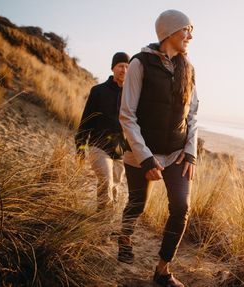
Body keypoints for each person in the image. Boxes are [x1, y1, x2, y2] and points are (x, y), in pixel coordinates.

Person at [117, 9, 199, 287]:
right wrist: (146, 158)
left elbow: (193, 115)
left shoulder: (189, 69)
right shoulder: (140, 64)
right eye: (185, 29)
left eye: (191, 30)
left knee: (181, 208)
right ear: (168, 32)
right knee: (137, 204)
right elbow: (127, 115)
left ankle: (162, 270)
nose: (190, 35)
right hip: (142, 154)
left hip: (177, 154)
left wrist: (191, 152)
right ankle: (125, 238)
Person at [75, 52, 130, 211]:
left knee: (114, 188)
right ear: (113, 67)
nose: (124, 70)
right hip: (98, 146)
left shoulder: (131, 95)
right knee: (106, 181)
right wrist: (81, 148)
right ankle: (103, 226)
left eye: (127, 67)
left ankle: (104, 224)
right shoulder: (98, 91)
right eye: (121, 66)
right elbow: (86, 121)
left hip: (120, 152)